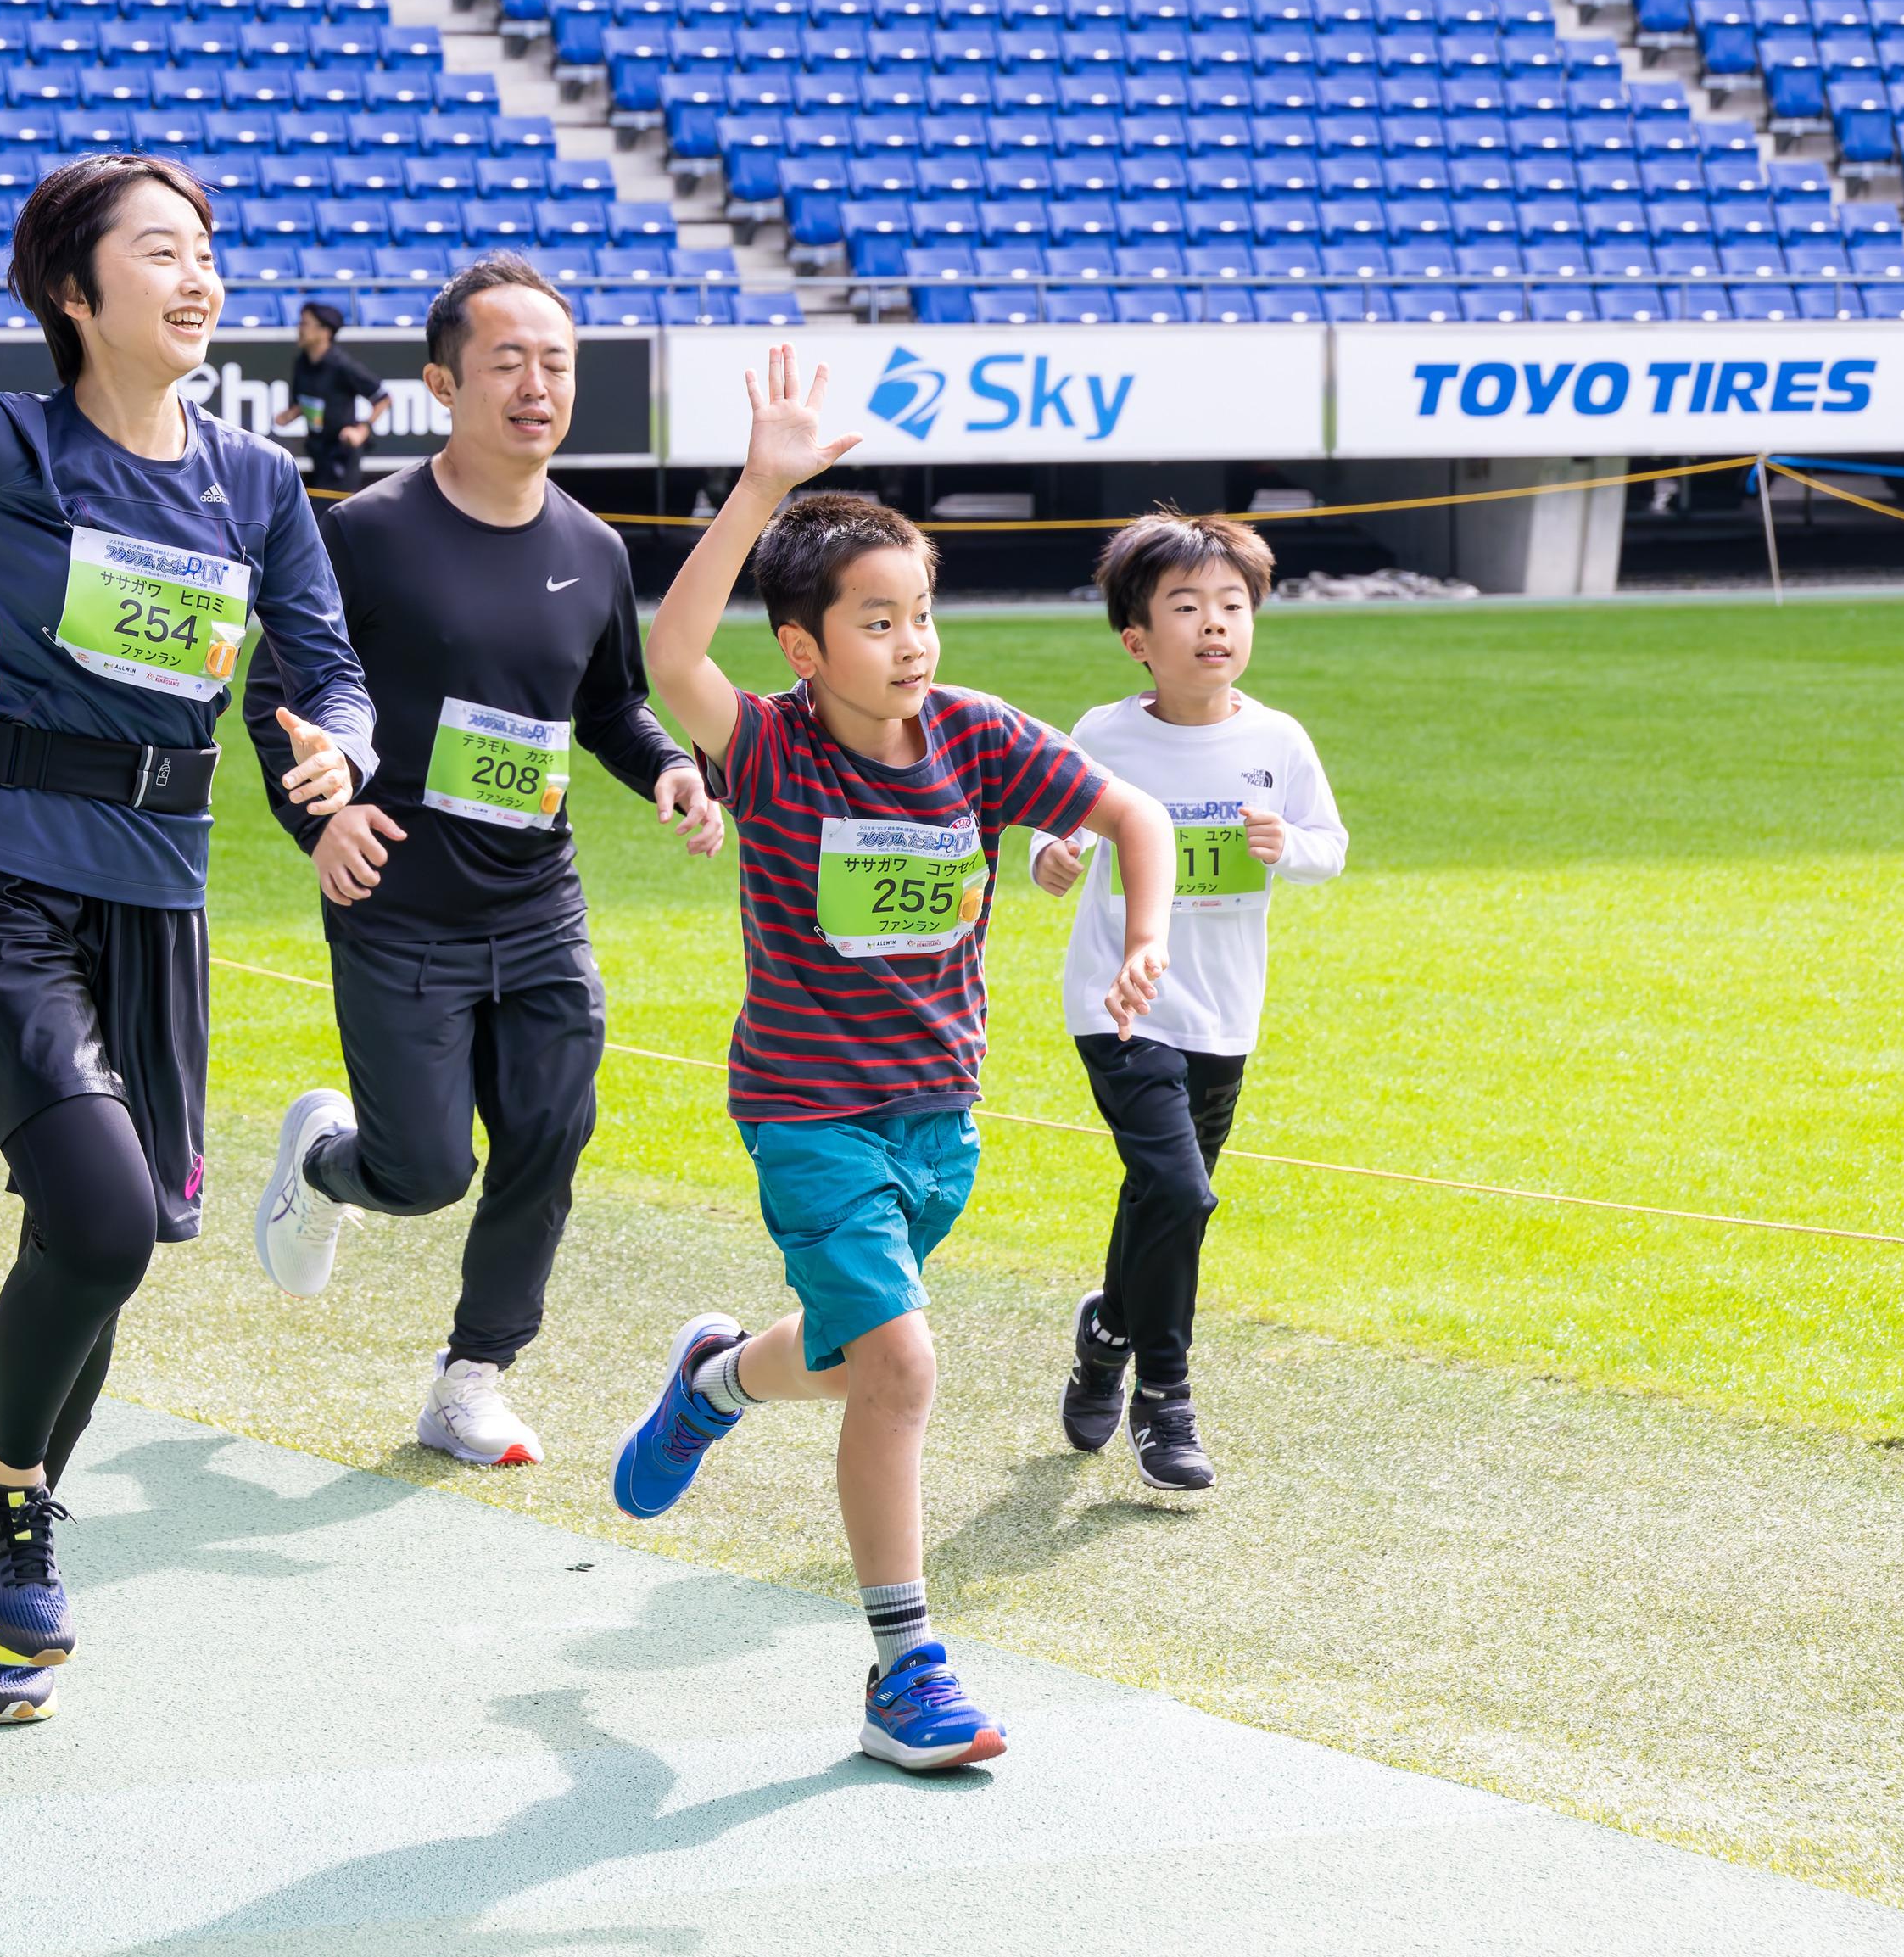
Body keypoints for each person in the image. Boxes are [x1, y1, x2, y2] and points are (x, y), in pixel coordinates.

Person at [0, 2, 377, 1729]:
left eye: (208, 252)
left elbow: (326, 667)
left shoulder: (258, 484)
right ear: (73, 291)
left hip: (157, 899)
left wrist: (340, 747)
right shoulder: (4, 442)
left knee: (106, 1242)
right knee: (104, 1217)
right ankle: (8, 1508)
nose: (200, 278)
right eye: (161, 251)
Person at [615, 345, 1176, 1771]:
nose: (912, 642)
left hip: (942, 1120)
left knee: (861, 1359)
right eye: (876, 621)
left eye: (921, 613)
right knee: (906, 1369)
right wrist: (761, 487)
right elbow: (671, 658)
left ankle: (714, 1382)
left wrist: (1145, 936)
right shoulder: (770, 750)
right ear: (805, 648)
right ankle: (903, 1669)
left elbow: (1135, 818)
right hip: (808, 1115)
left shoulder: (974, 739)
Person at [245, 254, 722, 1469]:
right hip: (399, 907)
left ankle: (474, 1378)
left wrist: (669, 767)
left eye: (555, 363)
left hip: (539, 904)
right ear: (442, 384)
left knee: (551, 1134)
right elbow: (272, 698)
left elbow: (609, 706)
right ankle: (327, 1167)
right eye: (507, 362)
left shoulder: (594, 547)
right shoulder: (363, 535)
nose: (536, 385)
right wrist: (323, 823)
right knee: (423, 1173)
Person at [1025, 512, 1347, 1492]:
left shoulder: (1277, 740)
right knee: (1180, 1192)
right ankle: (1164, 1401)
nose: (1215, 624)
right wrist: (1054, 856)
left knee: (1162, 1196)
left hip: (1224, 1011)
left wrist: (1284, 846)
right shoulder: (1105, 735)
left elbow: (1328, 846)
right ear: (1137, 639)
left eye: (1232, 606)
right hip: (1119, 1004)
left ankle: (1107, 1336)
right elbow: (1054, 837)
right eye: (1187, 606)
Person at [271, 300, 382, 498]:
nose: (300, 329)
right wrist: (289, 415)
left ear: (325, 332)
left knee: (333, 510)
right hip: (317, 453)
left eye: (305, 324)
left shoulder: (341, 366)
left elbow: (383, 398)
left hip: (341, 457)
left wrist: (361, 430)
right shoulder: (302, 363)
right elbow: (304, 402)